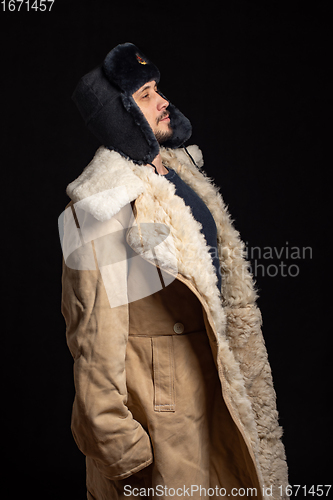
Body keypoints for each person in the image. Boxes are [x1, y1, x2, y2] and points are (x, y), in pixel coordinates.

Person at [60, 43, 288, 500]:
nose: (164, 101)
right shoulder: (101, 203)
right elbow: (93, 337)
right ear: (118, 112)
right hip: (165, 417)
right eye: (146, 95)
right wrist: (121, 447)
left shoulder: (182, 176)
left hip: (220, 390)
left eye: (158, 89)